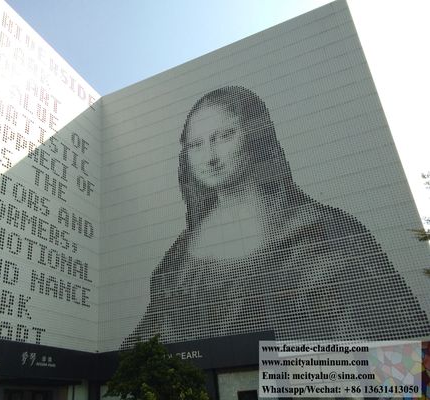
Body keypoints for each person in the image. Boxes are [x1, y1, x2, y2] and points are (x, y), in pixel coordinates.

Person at [122, 86, 430, 348]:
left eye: (225, 136)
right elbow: (151, 337)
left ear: (255, 136)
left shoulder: (326, 232)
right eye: (196, 145)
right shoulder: (180, 252)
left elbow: (394, 346)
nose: (210, 157)